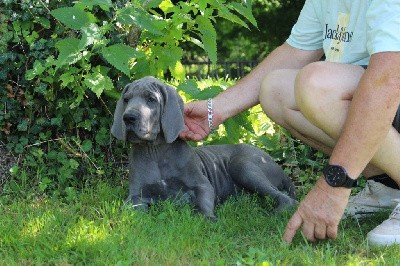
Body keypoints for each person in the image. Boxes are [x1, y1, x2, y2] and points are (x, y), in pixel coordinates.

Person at [179, 0, 400, 245]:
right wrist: (215, 110)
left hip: (389, 90)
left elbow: (387, 82)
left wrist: (335, 184)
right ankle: (387, 186)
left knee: (317, 83)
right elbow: (296, 52)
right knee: (276, 90)